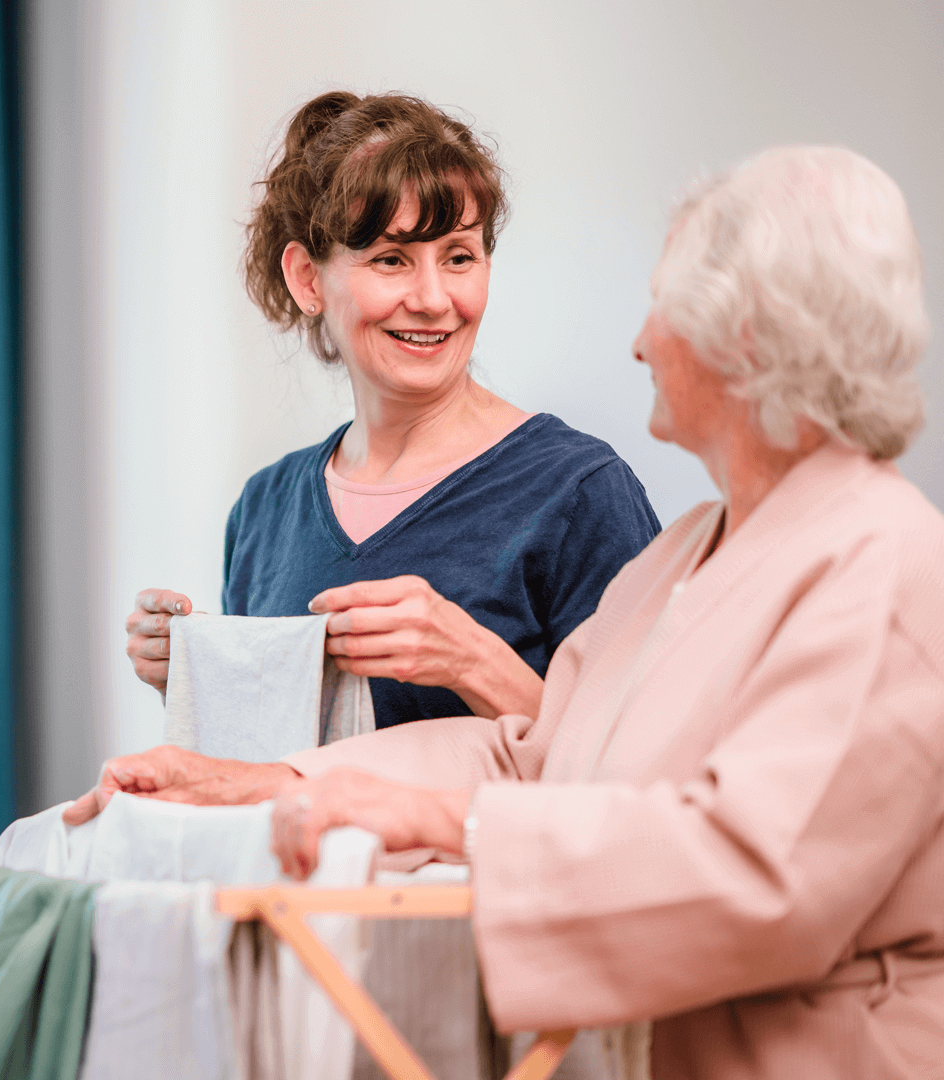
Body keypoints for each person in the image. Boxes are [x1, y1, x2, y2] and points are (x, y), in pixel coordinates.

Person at [68, 145, 944, 1078]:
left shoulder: (886, 568)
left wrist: (456, 826)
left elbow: (759, 878)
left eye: (664, 308)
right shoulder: (691, 550)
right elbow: (534, 755)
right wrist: (265, 784)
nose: (640, 341)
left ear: (750, 339)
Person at [124, 91, 659, 730]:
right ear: (307, 280)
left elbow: (645, 771)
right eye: (391, 260)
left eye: (459, 257)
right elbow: (272, 769)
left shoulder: (580, 493)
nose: (434, 299)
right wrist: (198, 675)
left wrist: (472, 663)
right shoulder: (264, 511)